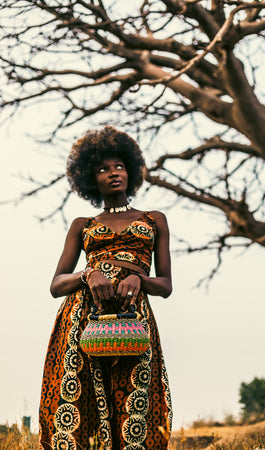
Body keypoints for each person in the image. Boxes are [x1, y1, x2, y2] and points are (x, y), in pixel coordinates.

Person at [39, 127, 173, 450]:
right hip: (82, 322)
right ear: (90, 179)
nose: (114, 174)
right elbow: (56, 284)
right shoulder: (82, 225)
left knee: (135, 410)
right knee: (79, 411)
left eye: (119, 166)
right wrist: (87, 274)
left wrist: (140, 279)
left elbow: (166, 285)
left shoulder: (154, 220)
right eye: (103, 169)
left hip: (132, 321)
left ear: (131, 170)